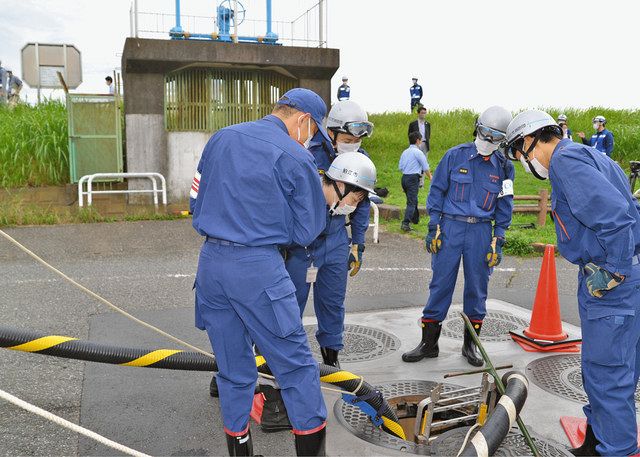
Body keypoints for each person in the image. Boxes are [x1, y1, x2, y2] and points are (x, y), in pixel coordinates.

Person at [190, 87, 332, 456]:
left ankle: (241, 452)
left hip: (210, 267)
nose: (312, 139)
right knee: (297, 369)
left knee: (234, 372)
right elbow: (307, 231)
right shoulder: (296, 156)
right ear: (304, 121)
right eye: (314, 132)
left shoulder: (220, 138)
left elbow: (195, 201)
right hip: (257, 269)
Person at [503, 109, 640, 457]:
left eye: (520, 153)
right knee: (612, 367)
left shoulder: (566, 162)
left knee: (607, 373)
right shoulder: (590, 155)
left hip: (613, 281)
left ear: (529, 141)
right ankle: (597, 441)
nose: (523, 162)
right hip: (620, 275)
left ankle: (616, 450)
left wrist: (615, 272)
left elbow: (616, 219)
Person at [402, 106, 514, 367]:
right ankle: (429, 344)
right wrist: (433, 226)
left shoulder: (505, 167)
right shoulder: (455, 156)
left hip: (482, 232)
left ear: (503, 140)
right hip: (450, 228)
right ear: (477, 127)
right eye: (485, 133)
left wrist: (499, 239)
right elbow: (437, 192)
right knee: (440, 285)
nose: (488, 141)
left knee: (477, 289)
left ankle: (470, 345)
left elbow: (504, 205)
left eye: (496, 137)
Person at [285, 99, 375, 369]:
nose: (352, 144)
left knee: (333, 303)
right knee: (288, 304)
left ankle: (331, 360)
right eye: (347, 138)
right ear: (332, 132)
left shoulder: (362, 160)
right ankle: (269, 357)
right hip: (301, 243)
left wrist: (358, 243)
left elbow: (363, 203)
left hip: (336, 240)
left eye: (357, 140)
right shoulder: (305, 153)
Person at [399, 131, 431, 232]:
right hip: (413, 178)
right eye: (421, 140)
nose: (421, 142)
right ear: (418, 140)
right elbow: (425, 166)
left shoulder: (405, 152)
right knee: (411, 202)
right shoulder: (418, 152)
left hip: (404, 177)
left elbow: (400, 167)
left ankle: (415, 219)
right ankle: (405, 224)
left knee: (413, 200)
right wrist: (430, 177)